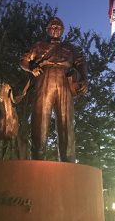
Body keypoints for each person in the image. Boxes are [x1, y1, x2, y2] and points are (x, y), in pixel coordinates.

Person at [20, 17, 87, 162]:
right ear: (47, 29)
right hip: (45, 78)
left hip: (64, 80)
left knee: (66, 121)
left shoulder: (69, 48)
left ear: (62, 30)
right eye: (53, 26)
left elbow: (80, 62)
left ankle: (68, 159)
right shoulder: (39, 45)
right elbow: (24, 61)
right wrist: (31, 67)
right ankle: (37, 158)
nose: (56, 28)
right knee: (40, 118)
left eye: (58, 26)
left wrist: (84, 78)